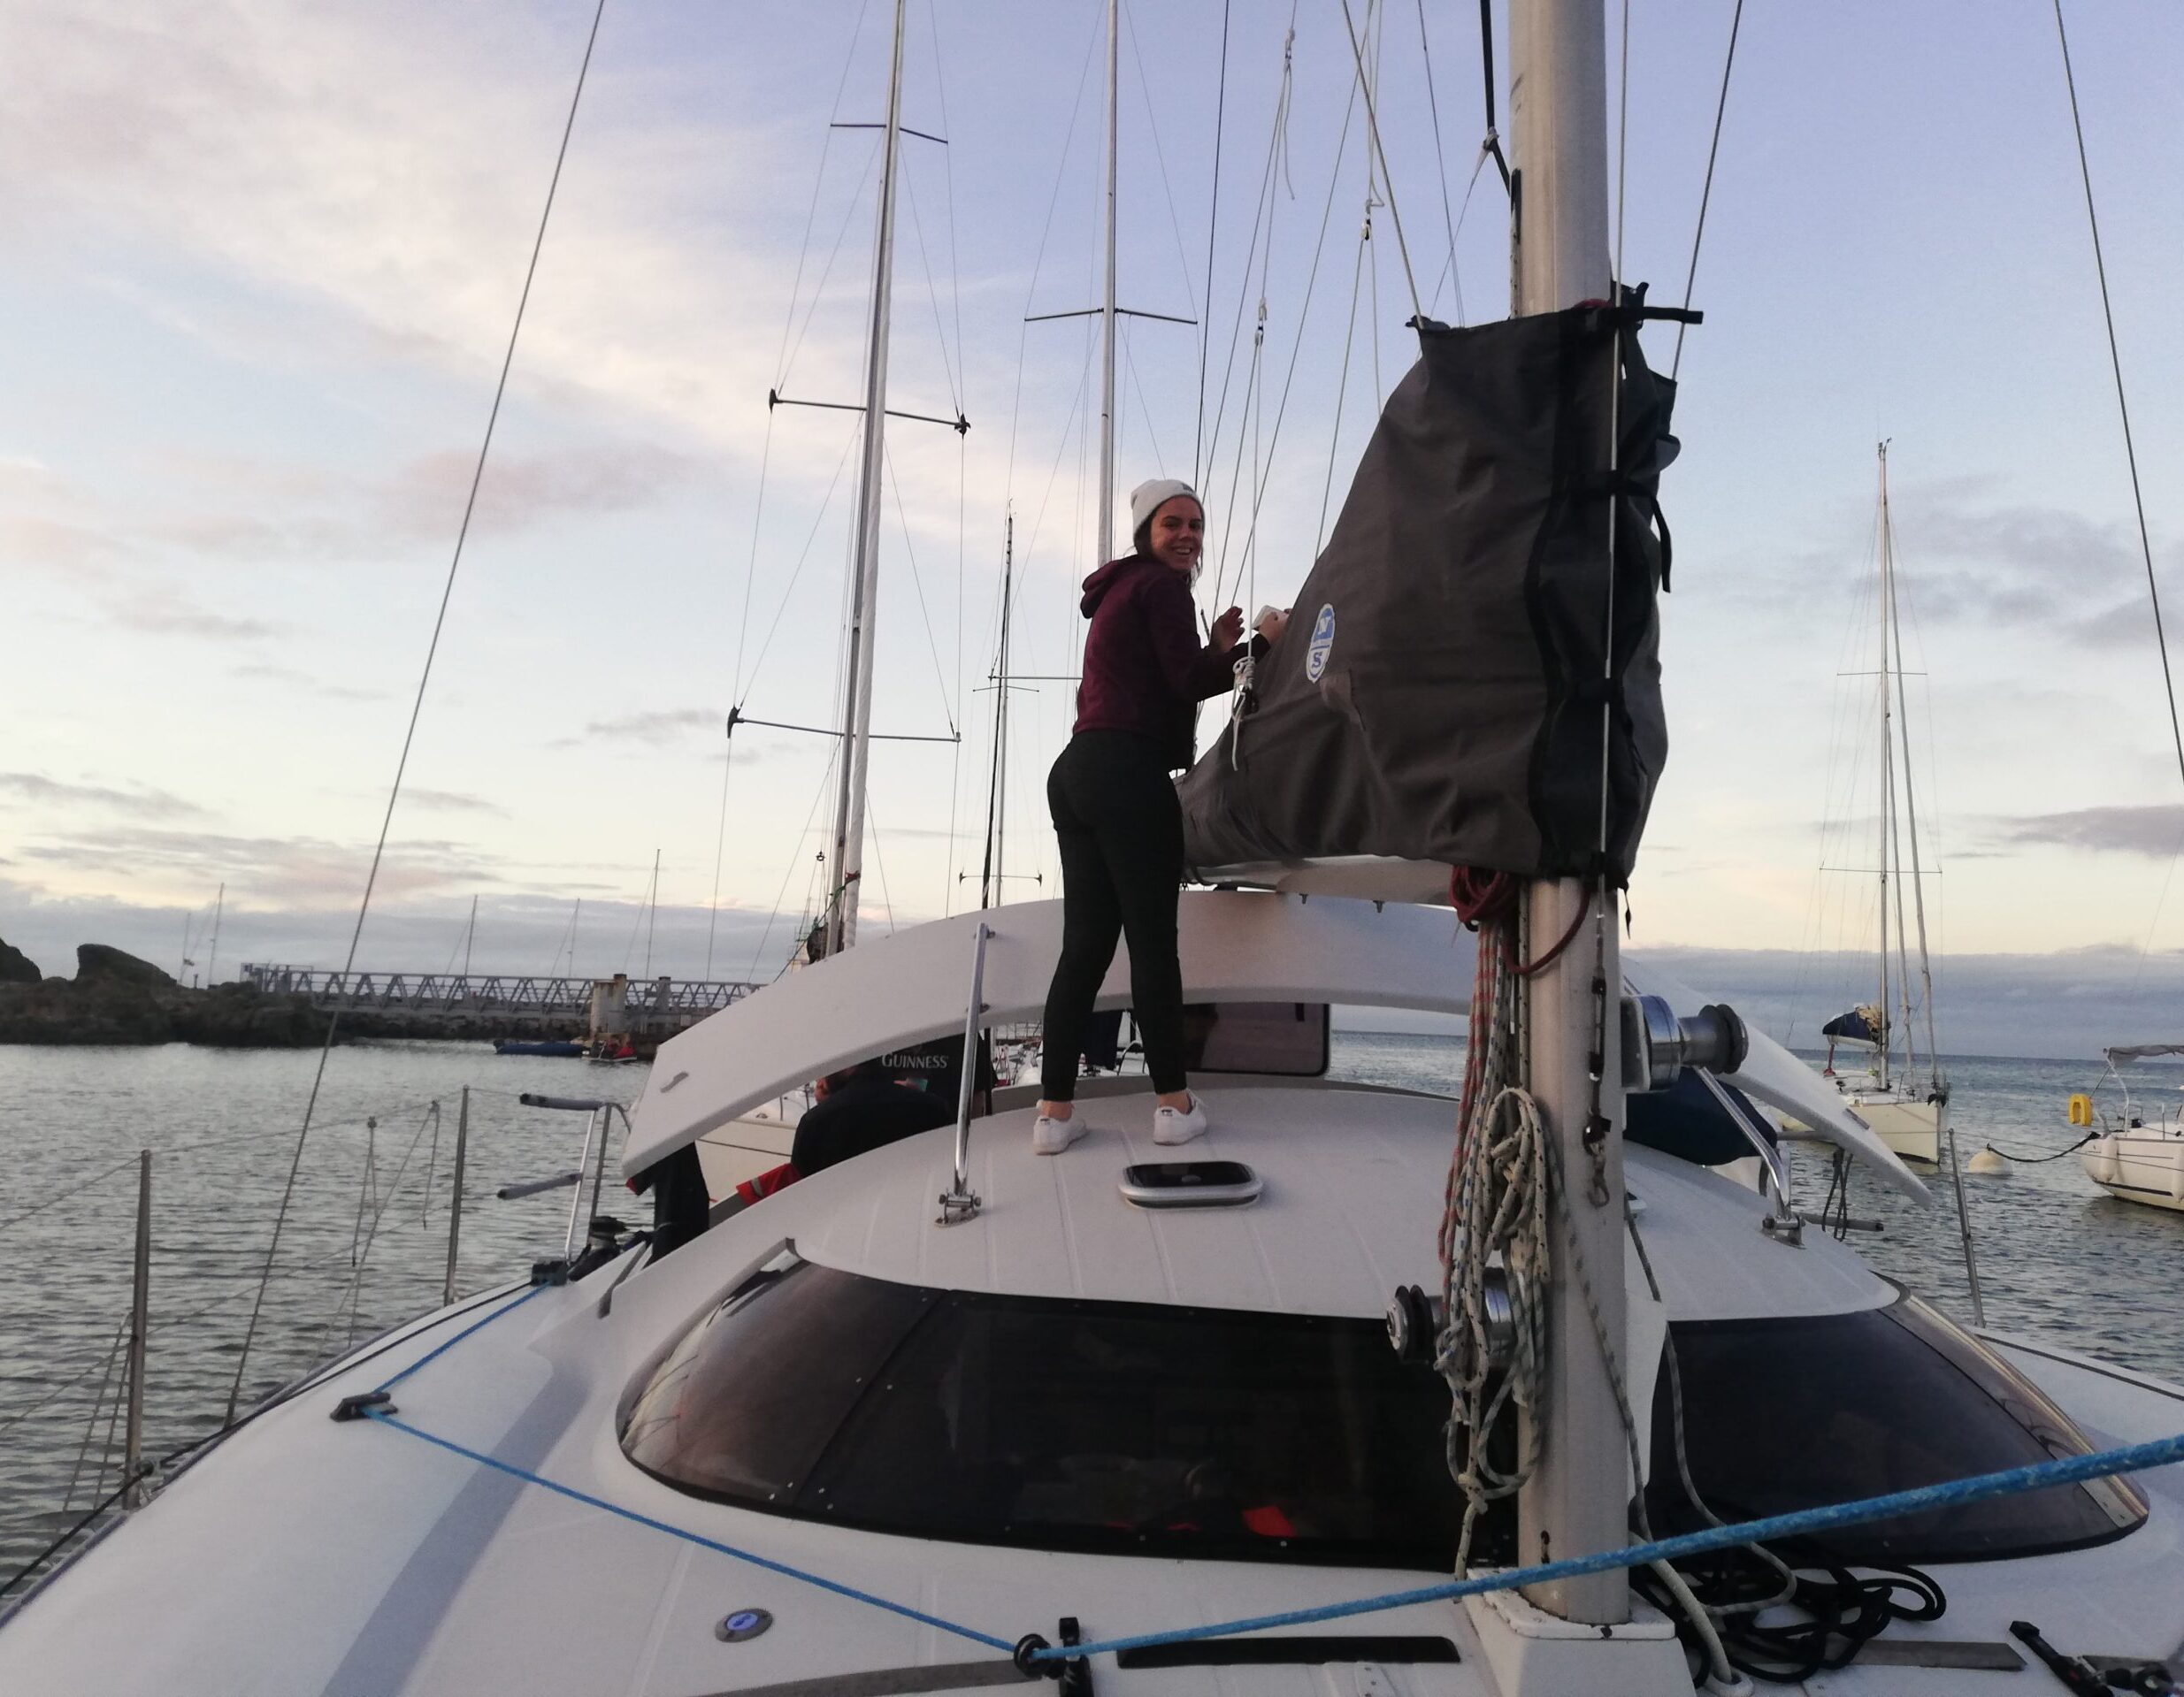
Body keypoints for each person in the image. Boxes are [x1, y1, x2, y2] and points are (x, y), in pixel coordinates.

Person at [1034, 478, 1243, 1154]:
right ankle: (1173, 1107)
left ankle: (1053, 1116)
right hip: (1128, 774)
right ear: (1146, 533)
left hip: (1077, 772)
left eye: (1195, 525)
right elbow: (1188, 683)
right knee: (1152, 946)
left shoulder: (1121, 590)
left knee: (1084, 949)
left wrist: (1215, 647)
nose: (1187, 535)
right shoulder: (1161, 586)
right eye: (1172, 523)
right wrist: (1260, 647)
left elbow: (1161, 675)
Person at [791, 1057, 954, 1177]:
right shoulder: (933, 1109)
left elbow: (799, 1189)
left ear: (849, 1065)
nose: (821, 1078)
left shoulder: (816, 1121)